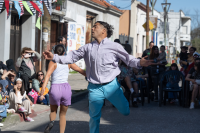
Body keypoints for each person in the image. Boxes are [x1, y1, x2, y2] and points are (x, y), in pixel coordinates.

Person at [43, 21, 154, 133]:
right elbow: (70, 58)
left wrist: (140, 63)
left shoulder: (114, 46)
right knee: (94, 118)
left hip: (111, 86)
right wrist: (54, 57)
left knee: (125, 111)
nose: (92, 29)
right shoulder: (87, 47)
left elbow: (128, 59)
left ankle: (120, 91)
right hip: (94, 87)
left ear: (103, 31)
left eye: (95, 27)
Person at [43, 45, 86, 133]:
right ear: (64, 53)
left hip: (55, 88)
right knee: (62, 115)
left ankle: (52, 122)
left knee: (53, 111)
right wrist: (91, 76)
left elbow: (47, 75)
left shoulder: (53, 62)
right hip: (66, 89)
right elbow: (80, 70)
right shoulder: (68, 62)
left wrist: (43, 88)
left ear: (54, 53)